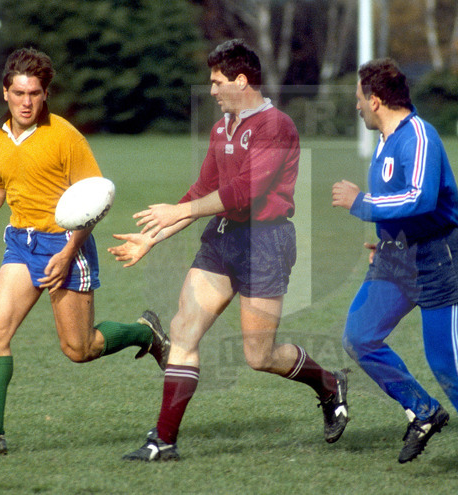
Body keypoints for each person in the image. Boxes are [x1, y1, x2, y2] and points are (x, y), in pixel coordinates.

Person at [109, 39, 349, 462]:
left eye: (218, 82)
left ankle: (328, 383)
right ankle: (163, 440)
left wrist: (178, 210)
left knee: (259, 356)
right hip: (222, 239)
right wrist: (153, 236)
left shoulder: (276, 126)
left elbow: (242, 194)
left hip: (265, 244)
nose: (213, 90)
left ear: (241, 80)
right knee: (183, 330)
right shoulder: (222, 127)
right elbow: (203, 191)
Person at [0, 47, 170, 456]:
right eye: (19, 93)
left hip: (66, 244)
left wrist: (69, 251)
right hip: (21, 241)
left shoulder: (66, 137)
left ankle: (146, 333)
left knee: (79, 349)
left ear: (46, 93)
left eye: (35, 93)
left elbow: (96, 202)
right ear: (5, 92)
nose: (27, 102)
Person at [331, 58, 458, 480]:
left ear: (375, 101)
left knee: (446, 361)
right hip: (396, 256)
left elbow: (421, 198)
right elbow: (400, 200)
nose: (357, 107)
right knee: (359, 336)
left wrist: (363, 203)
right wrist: (387, 236)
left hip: (437, 258)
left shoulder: (419, 134)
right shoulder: (386, 139)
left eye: (359, 99)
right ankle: (424, 410)